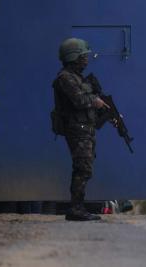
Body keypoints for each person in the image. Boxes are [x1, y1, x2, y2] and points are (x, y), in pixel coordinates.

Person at [53, 38, 110, 221]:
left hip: (84, 128)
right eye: (83, 56)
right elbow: (78, 101)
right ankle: (76, 208)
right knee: (83, 168)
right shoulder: (65, 78)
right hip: (77, 129)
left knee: (85, 167)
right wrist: (96, 101)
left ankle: (78, 207)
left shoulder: (77, 78)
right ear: (73, 57)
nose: (86, 59)